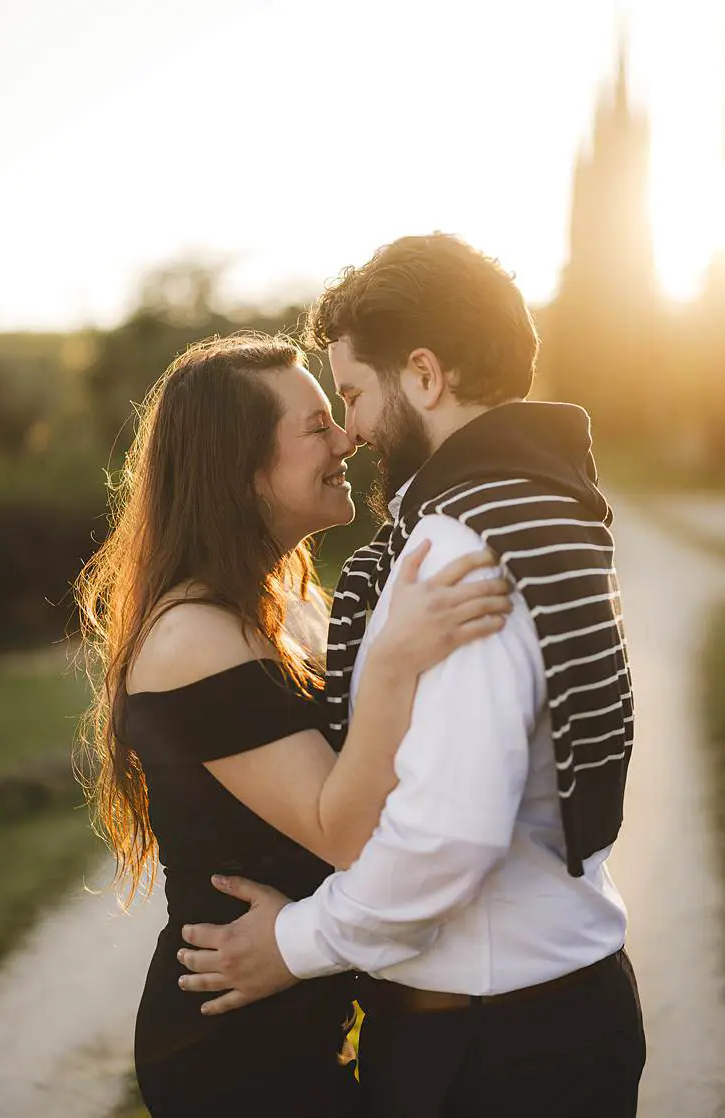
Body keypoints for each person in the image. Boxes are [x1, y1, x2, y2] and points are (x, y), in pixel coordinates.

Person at [178, 234, 646, 1117]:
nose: (349, 430)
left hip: (496, 1050)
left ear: (424, 375)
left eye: (351, 393)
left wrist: (296, 942)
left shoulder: (458, 543)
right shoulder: (540, 501)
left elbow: (445, 838)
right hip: (553, 1014)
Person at [73, 332, 515, 1115]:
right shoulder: (191, 638)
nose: (347, 439)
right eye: (317, 427)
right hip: (232, 1046)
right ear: (240, 473)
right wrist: (392, 664)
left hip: (298, 1017)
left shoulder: (286, 604)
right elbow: (343, 833)